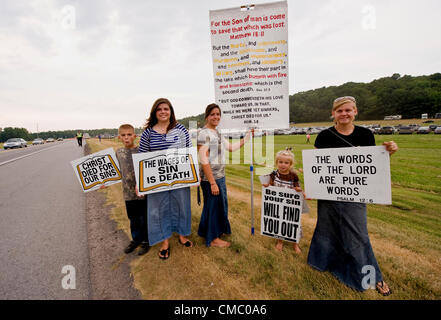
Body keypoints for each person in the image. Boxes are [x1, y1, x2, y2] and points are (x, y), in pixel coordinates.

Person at [306, 96, 398, 296]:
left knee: (358, 235)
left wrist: (388, 152)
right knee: (326, 230)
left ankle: (373, 278)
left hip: (355, 196)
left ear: (355, 112)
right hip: (329, 196)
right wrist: (311, 188)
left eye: (348, 110)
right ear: (333, 114)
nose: (344, 114)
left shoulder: (365, 134)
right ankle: (322, 263)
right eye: (339, 111)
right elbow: (317, 167)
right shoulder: (324, 136)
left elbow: (370, 164)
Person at [138, 98, 193, 260]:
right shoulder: (148, 132)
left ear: (171, 112)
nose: (163, 112)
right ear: (155, 112)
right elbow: (142, 158)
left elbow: (189, 152)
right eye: (159, 109)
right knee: (159, 210)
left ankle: (182, 235)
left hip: (179, 178)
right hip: (156, 180)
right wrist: (139, 183)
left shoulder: (181, 129)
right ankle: (165, 242)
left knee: (181, 206)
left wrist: (193, 175)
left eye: (166, 109)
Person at [197, 103, 251, 248]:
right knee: (213, 208)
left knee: (216, 206)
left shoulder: (217, 132)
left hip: (220, 176)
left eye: (218, 114)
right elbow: (204, 160)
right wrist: (213, 182)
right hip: (211, 179)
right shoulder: (204, 133)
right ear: (207, 116)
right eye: (213, 114)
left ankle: (205, 231)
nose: (216, 117)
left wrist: (246, 137)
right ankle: (213, 239)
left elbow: (231, 148)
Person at [109, 124, 151, 256]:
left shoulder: (141, 151)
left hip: (143, 193)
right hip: (128, 193)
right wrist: (105, 181)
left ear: (134, 136)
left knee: (144, 217)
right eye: (123, 135)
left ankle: (146, 240)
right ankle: (136, 239)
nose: (126, 137)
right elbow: (114, 172)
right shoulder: (119, 153)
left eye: (129, 135)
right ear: (119, 137)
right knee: (133, 218)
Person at [261, 147, 309, 254]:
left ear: (290, 164)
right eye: (280, 162)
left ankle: (295, 244)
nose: (283, 164)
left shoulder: (293, 175)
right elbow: (269, 184)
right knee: (279, 221)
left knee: (293, 223)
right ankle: (280, 242)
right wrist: (266, 184)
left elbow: (297, 187)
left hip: (291, 204)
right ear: (276, 162)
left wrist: (300, 190)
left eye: (286, 163)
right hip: (278, 203)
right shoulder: (274, 174)